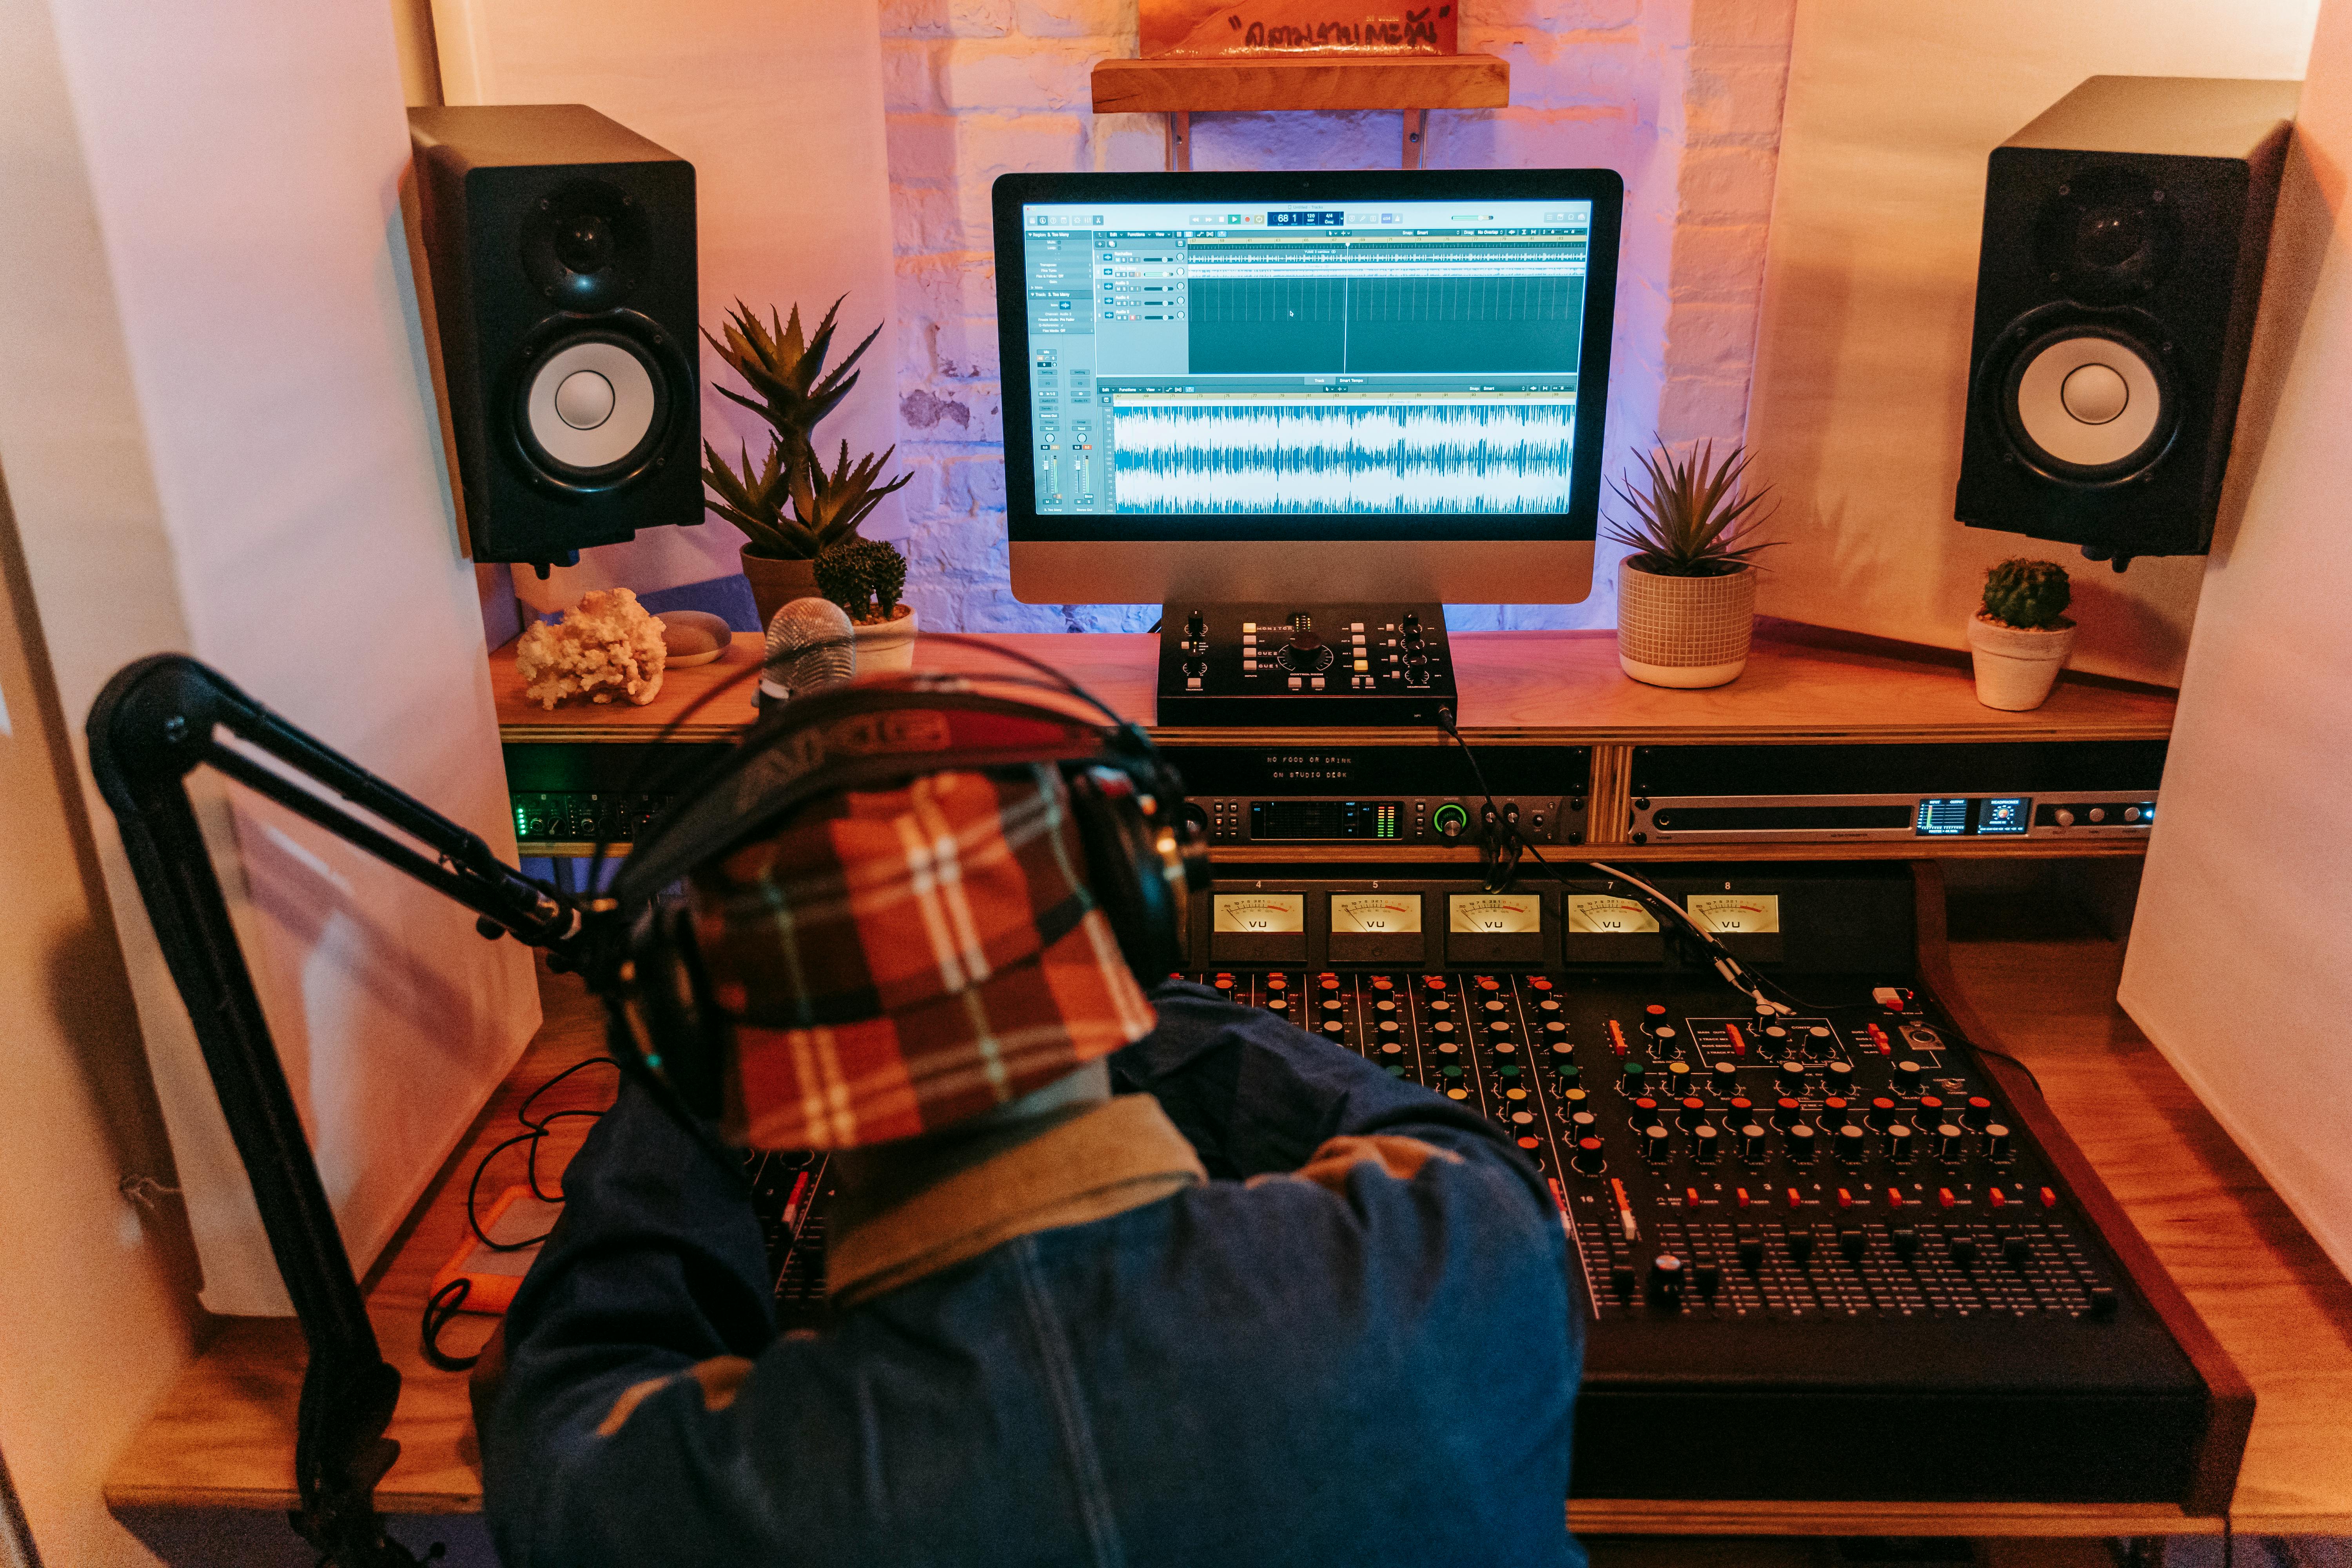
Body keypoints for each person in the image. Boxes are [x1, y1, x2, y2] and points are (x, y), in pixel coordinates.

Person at [477, 762, 1585, 1567]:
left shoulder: (681, 1498)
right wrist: (1103, 987)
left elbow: (564, 1403)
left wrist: (678, 1073)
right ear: (1132, 929)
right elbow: (1461, 1146)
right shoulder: (1463, 1255)